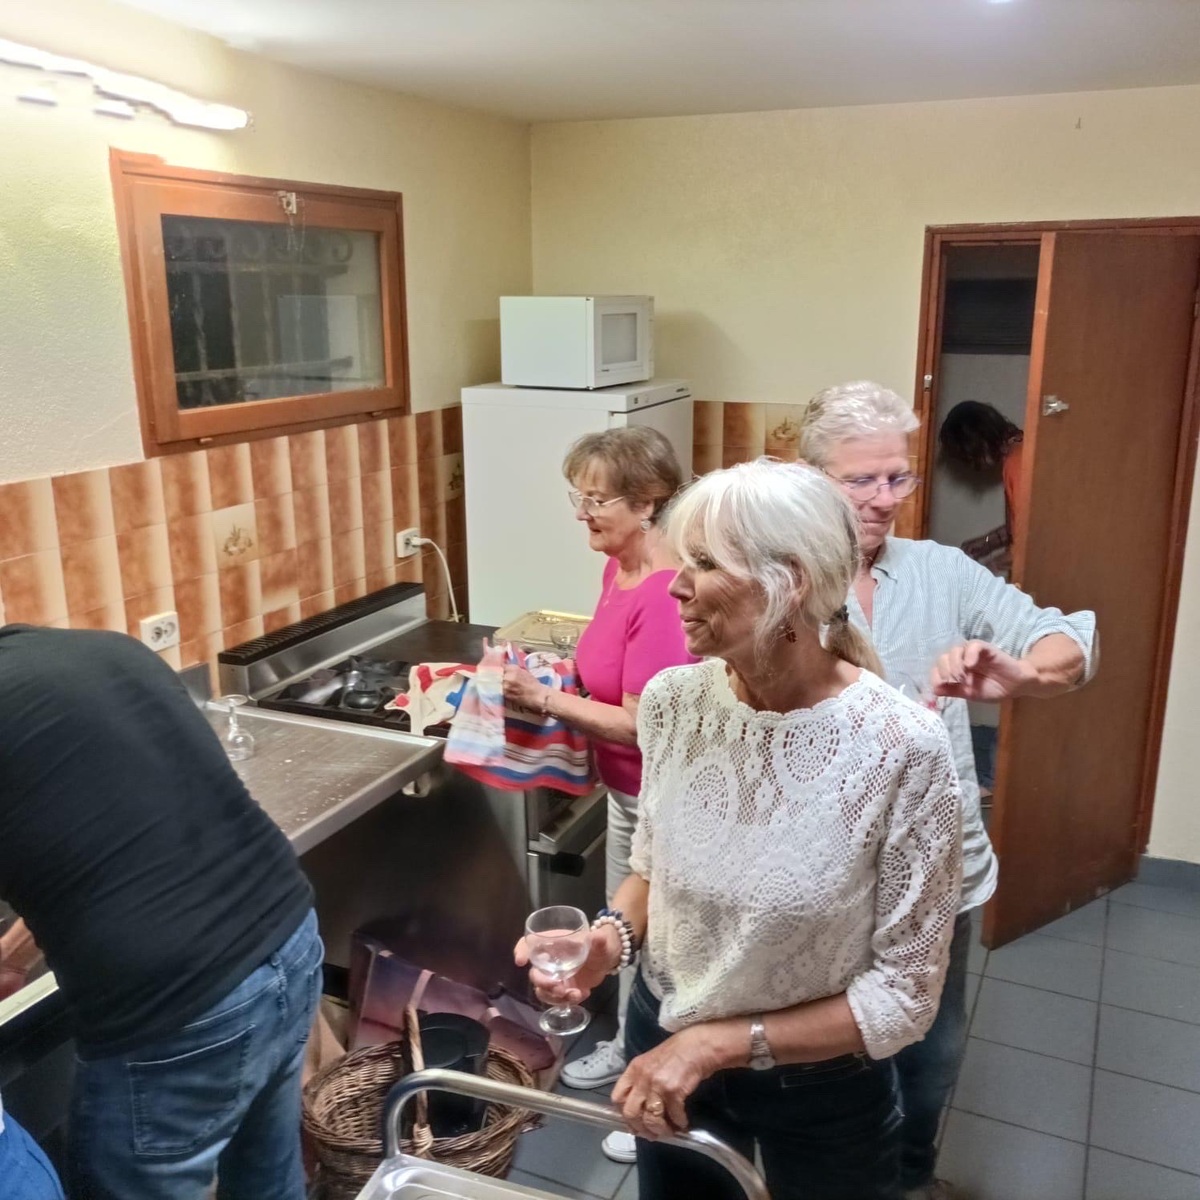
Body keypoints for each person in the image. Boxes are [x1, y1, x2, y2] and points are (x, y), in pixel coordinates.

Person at [518, 460, 964, 1200]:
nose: (676, 585)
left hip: (821, 1084)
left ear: (788, 582)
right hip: (666, 1037)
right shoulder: (675, 702)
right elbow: (653, 868)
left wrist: (717, 1045)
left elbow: (904, 996)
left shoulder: (899, 746)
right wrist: (608, 943)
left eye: (702, 564)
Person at [800, 381, 1097, 1200]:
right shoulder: (776, 584)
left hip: (937, 871)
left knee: (930, 1052)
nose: (884, 498)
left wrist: (1025, 675)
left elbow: (1063, 637)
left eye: (897, 477)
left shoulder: (942, 572)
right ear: (812, 478)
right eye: (860, 480)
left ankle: (910, 1177)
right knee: (820, 1055)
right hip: (815, 876)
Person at [0, 625, 322, 1200]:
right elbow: (104, 840)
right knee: (268, 1182)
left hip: (176, 1007)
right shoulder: (101, 650)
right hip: (288, 934)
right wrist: (15, 956)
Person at [501, 426, 695, 1163]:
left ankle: (659, 1096)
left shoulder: (664, 590)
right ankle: (626, 1049)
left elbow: (644, 722)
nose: (582, 512)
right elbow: (604, 671)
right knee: (627, 933)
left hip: (663, 798)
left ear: (648, 503)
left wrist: (545, 702)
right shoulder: (619, 567)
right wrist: (558, 680)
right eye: (577, 496)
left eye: (598, 499)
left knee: (663, 951)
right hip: (624, 789)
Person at [937, 400, 1024, 567]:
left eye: (967, 457)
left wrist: (988, 567)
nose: (973, 465)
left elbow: (1031, 537)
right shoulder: (1019, 449)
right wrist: (987, 543)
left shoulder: (1016, 464)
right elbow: (1019, 526)